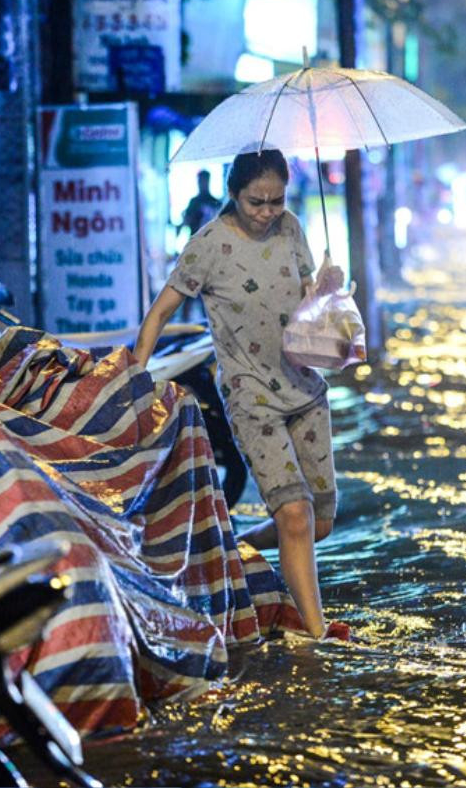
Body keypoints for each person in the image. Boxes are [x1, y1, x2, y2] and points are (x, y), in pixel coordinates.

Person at [134, 148, 345, 641]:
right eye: (257, 202)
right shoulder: (207, 245)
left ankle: (238, 548)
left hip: (306, 387)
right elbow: (161, 312)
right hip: (252, 397)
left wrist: (327, 289)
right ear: (234, 193)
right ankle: (317, 636)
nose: (268, 212)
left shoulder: (292, 227)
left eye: (276, 200)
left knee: (317, 524)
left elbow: (309, 293)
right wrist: (133, 378)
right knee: (294, 515)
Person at [178, 169, 221, 237]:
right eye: (201, 181)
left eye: (204, 180)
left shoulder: (215, 202)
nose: (202, 183)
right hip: (197, 240)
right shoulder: (194, 202)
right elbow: (187, 220)